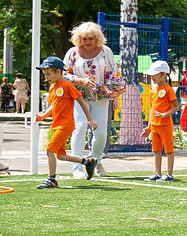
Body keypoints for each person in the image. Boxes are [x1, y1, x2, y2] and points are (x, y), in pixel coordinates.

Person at [63, 22, 124, 178]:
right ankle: (77, 166)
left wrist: (111, 92)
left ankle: (95, 160)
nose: (87, 42)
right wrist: (79, 80)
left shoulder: (105, 52)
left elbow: (114, 74)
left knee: (101, 133)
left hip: (100, 96)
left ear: (97, 38)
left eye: (90, 38)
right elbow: (63, 74)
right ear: (78, 39)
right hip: (77, 96)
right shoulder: (72, 53)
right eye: (83, 38)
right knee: (80, 127)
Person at [33, 56, 97, 188]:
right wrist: (43, 116)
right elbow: (53, 105)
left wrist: (90, 119)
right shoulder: (52, 87)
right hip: (56, 125)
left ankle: (52, 179)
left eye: (48, 74)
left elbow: (81, 101)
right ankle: (88, 162)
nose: (46, 78)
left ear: (58, 72)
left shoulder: (68, 85)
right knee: (60, 155)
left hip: (65, 125)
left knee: (50, 150)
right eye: (44, 75)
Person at [140, 61, 177, 182]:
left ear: (164, 74)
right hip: (155, 126)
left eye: (155, 74)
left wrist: (165, 114)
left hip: (165, 125)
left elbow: (176, 107)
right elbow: (152, 109)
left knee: (168, 150)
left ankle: (169, 174)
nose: (152, 77)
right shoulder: (153, 91)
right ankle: (157, 173)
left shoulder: (168, 89)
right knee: (156, 150)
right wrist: (149, 126)